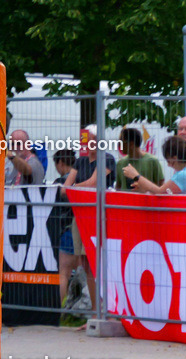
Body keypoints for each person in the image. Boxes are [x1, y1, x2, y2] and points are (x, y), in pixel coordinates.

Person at [64, 126, 116, 314]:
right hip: (81, 216)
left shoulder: (107, 159)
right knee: (85, 264)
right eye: (88, 139)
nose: (90, 143)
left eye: (94, 139)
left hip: (98, 216)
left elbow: (93, 182)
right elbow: (65, 188)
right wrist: (78, 188)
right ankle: (95, 311)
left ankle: (107, 310)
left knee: (99, 263)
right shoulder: (80, 161)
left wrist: (75, 187)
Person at [122, 136, 186, 195]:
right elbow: (167, 192)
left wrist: (136, 176)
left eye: (168, 160)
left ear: (174, 158)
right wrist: (144, 188)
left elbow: (160, 193)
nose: (168, 165)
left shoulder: (184, 175)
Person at [49, 149, 78, 308]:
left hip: (65, 230)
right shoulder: (82, 180)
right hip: (81, 229)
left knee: (63, 273)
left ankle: (59, 310)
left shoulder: (59, 184)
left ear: (60, 163)